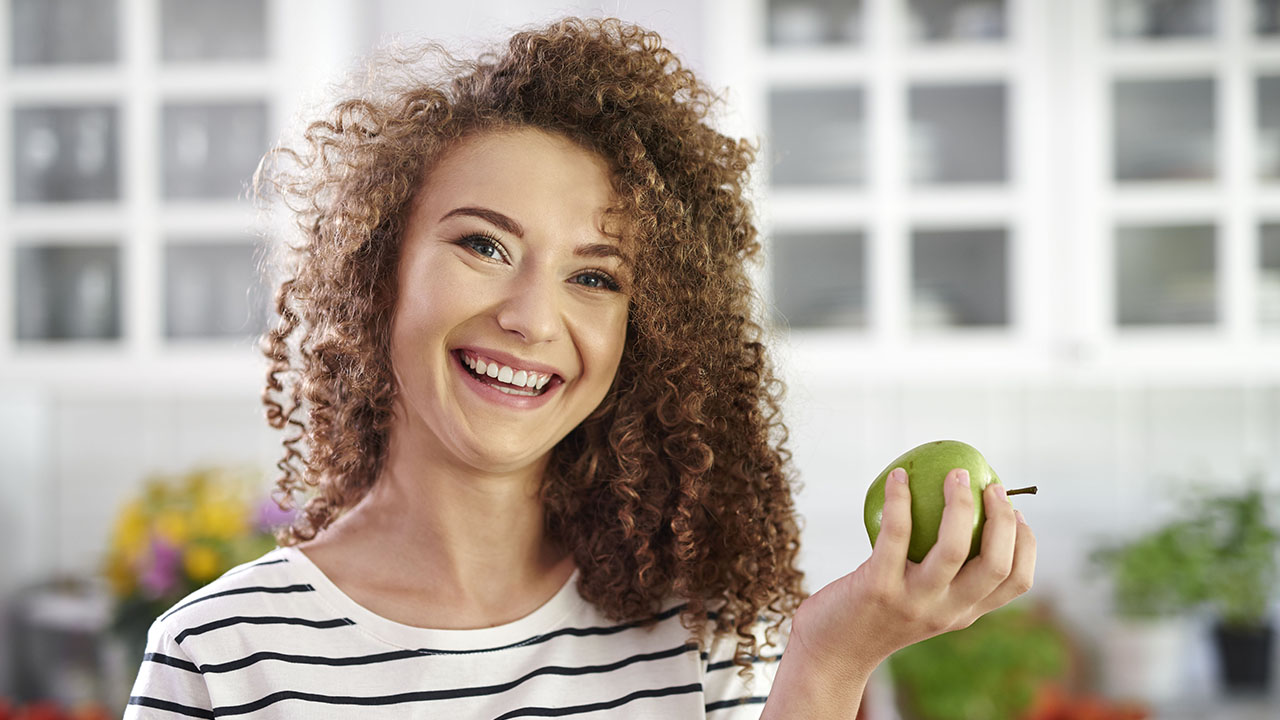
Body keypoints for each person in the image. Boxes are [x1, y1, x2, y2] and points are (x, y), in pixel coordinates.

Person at [124, 17, 1035, 719]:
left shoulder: (706, 638)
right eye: (482, 245)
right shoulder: (223, 653)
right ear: (377, 271)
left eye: (594, 276)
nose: (530, 317)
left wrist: (832, 662)